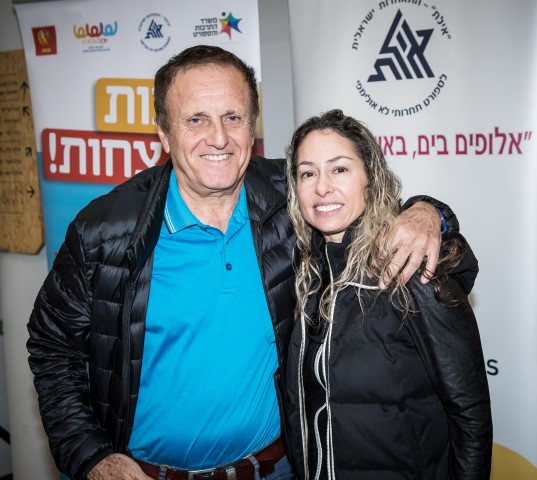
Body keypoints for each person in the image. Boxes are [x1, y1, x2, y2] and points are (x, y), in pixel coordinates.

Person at [27, 46, 463, 480]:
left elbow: (386, 216)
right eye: (196, 120)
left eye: (233, 117)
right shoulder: (104, 231)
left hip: (278, 470)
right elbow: (52, 348)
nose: (219, 138)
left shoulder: (293, 198)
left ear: (252, 126)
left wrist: (430, 213)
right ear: (163, 133)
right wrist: (93, 458)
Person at [280, 109, 493, 480]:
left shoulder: (410, 265)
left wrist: (429, 211)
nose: (322, 187)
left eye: (339, 169)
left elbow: (470, 414)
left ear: (370, 177)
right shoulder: (307, 275)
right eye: (307, 173)